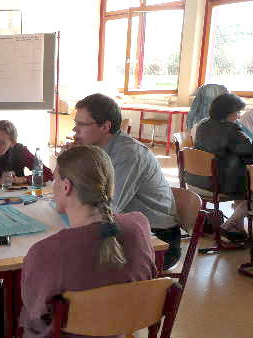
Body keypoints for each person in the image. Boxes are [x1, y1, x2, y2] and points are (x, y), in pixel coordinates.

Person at [20, 145, 157, 338]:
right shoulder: (139, 224)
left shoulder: (46, 252)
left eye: (55, 180)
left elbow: (35, 311)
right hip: (119, 333)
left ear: (66, 187)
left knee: (9, 300)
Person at [72, 93, 181, 269]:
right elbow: (79, 191)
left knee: (73, 262)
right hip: (127, 230)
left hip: (158, 241)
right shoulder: (97, 150)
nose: (74, 130)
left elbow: (110, 208)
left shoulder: (128, 154)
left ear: (105, 126)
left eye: (81, 124)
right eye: (75, 123)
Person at [190, 93, 253, 241]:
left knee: (243, 180)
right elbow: (249, 150)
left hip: (197, 180)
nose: (239, 116)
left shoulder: (203, 126)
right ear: (228, 113)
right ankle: (227, 227)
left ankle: (238, 230)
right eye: (237, 112)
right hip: (217, 183)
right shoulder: (231, 131)